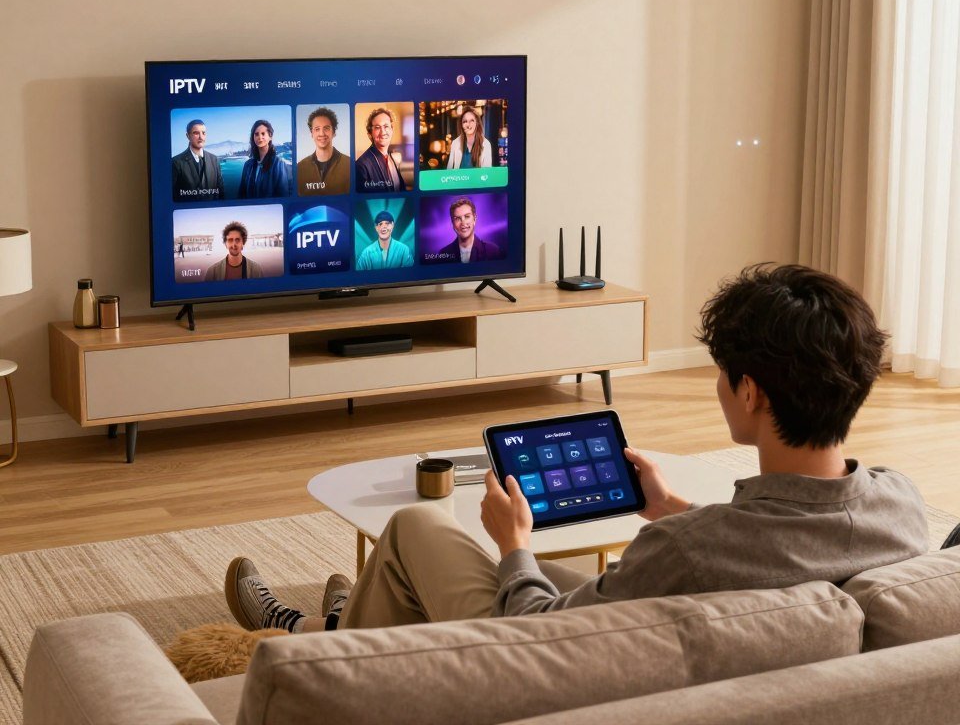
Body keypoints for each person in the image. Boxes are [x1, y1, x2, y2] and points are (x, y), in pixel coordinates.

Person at [223, 264, 928, 633]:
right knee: (416, 561)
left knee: (414, 527)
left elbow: (537, 633)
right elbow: (778, 543)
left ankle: (317, 639)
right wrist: (676, 508)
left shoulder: (687, 552)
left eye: (721, 372)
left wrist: (514, 543)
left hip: (536, 670)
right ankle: (337, 622)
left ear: (750, 393)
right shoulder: (901, 507)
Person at [296, 107, 350, 196]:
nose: (322, 133)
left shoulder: (350, 164)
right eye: (317, 129)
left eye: (326, 128)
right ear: (311, 134)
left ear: (334, 132)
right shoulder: (300, 168)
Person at [435, 197, 503, 263]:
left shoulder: (493, 251)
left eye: (467, 216)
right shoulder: (443, 254)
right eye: (457, 218)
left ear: (474, 219)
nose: (463, 223)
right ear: (452, 223)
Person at [171, 119, 225, 202]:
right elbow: (173, 196)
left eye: (203, 133)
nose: (201, 137)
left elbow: (221, 192)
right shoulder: (176, 162)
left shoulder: (214, 160)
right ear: (188, 136)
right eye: (196, 133)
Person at [355, 108, 406, 193]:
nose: (383, 132)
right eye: (377, 127)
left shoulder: (390, 158)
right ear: (370, 134)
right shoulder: (361, 166)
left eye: (386, 126)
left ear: (392, 130)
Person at [238, 120, 291, 199]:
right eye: (256, 134)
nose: (260, 137)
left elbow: (283, 195)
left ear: (270, 137)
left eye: (263, 134)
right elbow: (241, 194)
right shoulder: (248, 165)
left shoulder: (279, 164)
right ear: (253, 137)